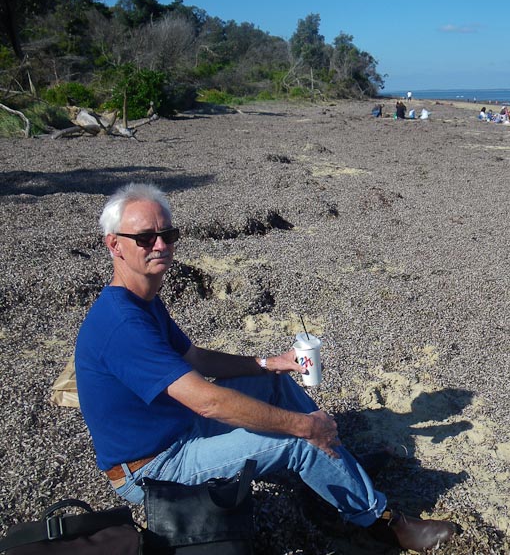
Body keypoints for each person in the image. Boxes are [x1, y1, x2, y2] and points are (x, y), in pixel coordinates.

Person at [74, 183, 456, 552]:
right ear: (115, 245)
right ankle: (381, 522)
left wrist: (268, 363)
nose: (160, 245)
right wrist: (305, 427)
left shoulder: (142, 300)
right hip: (152, 467)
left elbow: (195, 358)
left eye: (168, 234)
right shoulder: (123, 323)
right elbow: (208, 401)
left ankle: (337, 470)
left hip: (177, 429)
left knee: (274, 386)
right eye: (145, 238)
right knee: (298, 437)